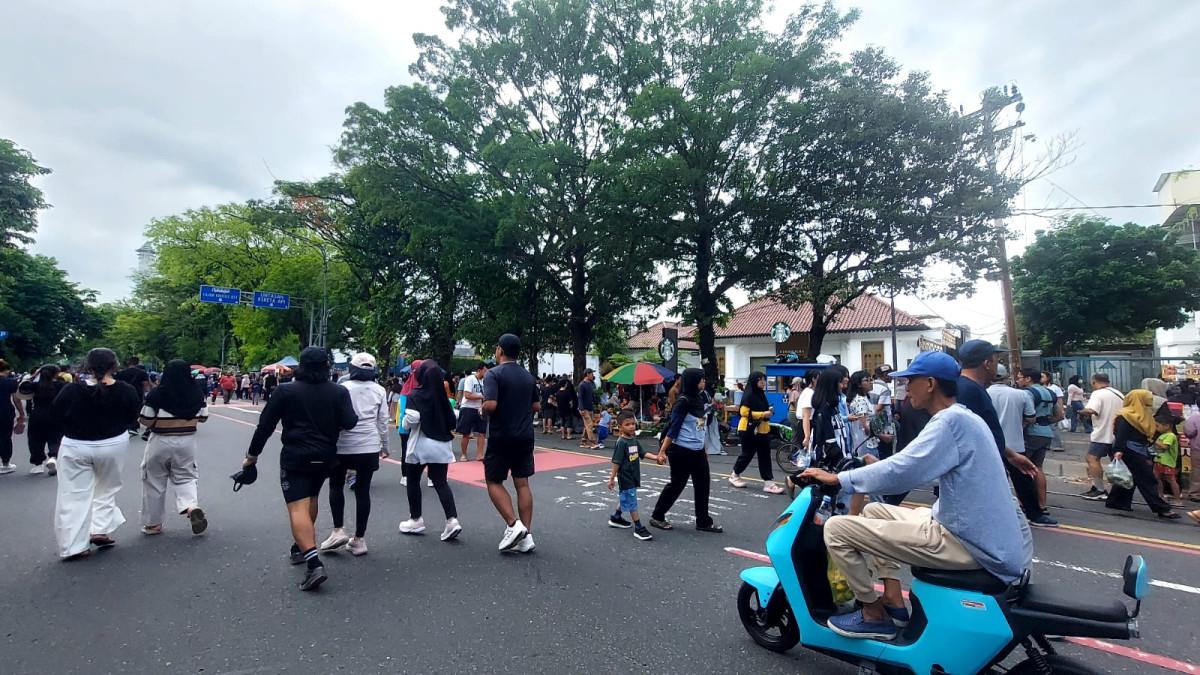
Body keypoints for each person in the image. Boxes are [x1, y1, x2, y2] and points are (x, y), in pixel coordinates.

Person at [799, 351, 1031, 640]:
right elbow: (910, 463)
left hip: (969, 543)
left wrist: (838, 478)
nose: (906, 389)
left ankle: (873, 614)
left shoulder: (949, 422)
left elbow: (903, 471)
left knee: (836, 528)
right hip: (972, 531)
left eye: (910, 382)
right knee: (873, 510)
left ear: (930, 384)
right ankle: (894, 601)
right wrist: (876, 468)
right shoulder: (964, 418)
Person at [241, 347, 358, 590]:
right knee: (311, 498)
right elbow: (350, 421)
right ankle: (300, 547)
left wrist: (251, 457)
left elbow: (265, 426)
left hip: (295, 455)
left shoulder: (286, 390)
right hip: (326, 456)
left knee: (297, 507)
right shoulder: (339, 391)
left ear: (301, 366)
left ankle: (313, 563)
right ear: (327, 366)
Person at [51, 348, 143, 560]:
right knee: (106, 488)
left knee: (74, 494)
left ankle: (74, 545)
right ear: (115, 365)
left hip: (75, 444)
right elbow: (133, 416)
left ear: (87, 366)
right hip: (113, 444)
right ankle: (99, 529)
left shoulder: (71, 390)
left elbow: (56, 415)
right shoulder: (126, 390)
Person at [955, 341, 1052, 527]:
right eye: (995, 359)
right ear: (987, 363)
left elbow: (985, 429)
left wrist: (1011, 454)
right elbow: (971, 432)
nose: (997, 363)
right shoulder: (967, 390)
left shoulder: (974, 389)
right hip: (978, 463)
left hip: (995, 454)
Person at [318, 353, 389, 556]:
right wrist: (385, 446)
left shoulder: (343, 388)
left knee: (336, 486)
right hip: (369, 445)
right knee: (363, 490)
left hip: (342, 445)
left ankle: (338, 529)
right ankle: (359, 539)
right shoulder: (380, 390)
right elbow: (383, 421)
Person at [481, 334, 540, 553]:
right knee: (522, 483)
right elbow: (536, 406)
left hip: (502, 435)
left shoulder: (493, 374)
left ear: (499, 351)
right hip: (525, 435)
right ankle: (527, 536)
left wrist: (483, 408)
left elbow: (491, 404)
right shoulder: (528, 376)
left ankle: (514, 525)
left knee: (493, 480)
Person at [138, 359, 209, 536]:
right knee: (186, 476)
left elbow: (145, 419)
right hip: (187, 442)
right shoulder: (196, 393)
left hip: (160, 440)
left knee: (154, 481)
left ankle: (153, 524)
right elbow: (203, 417)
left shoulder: (157, 394)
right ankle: (191, 506)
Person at [648, 368, 723, 533]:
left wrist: (702, 448)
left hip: (697, 451)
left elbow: (700, 427)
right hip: (680, 450)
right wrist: (662, 452)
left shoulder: (700, 398)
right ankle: (657, 516)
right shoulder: (683, 401)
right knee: (677, 485)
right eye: (701, 380)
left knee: (703, 484)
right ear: (692, 382)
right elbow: (673, 429)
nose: (704, 382)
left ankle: (703, 521)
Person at [398, 360, 462, 541]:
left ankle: (416, 519)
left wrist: (404, 423)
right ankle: (452, 520)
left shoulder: (415, 395)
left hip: (420, 445)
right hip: (441, 446)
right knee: (441, 482)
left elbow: (411, 420)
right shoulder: (443, 398)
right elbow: (453, 420)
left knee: (413, 480)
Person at [1105, 390, 1179, 519]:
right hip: (1129, 450)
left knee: (1128, 478)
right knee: (1147, 479)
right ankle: (1161, 508)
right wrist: (1119, 450)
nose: (1150, 401)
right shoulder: (1125, 415)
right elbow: (1121, 434)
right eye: (1147, 398)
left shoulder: (1145, 414)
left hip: (1140, 449)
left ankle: (1116, 502)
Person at [606, 411, 661, 541]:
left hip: (634, 475)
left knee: (626, 496)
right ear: (620, 427)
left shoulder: (633, 440)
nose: (631, 427)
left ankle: (616, 517)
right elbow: (616, 461)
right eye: (627, 424)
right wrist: (612, 478)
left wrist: (656, 458)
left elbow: (643, 453)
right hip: (625, 477)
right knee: (631, 500)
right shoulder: (622, 442)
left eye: (632, 424)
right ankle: (638, 527)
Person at [729, 371, 784, 494]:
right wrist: (763, 414)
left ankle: (768, 482)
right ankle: (735, 474)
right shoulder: (748, 395)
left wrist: (768, 411)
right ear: (754, 381)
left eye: (764, 380)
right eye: (760, 380)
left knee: (765, 455)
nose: (763, 382)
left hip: (762, 430)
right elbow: (744, 412)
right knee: (747, 454)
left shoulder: (761, 395)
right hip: (748, 430)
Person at [1016, 368, 1060, 512]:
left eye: (1020, 378)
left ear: (1028, 379)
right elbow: (1060, 415)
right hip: (1046, 433)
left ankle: (1025, 504)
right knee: (1038, 468)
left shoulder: (1027, 393)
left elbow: (1027, 416)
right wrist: (1045, 421)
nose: (1018, 380)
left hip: (1031, 433)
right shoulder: (1050, 392)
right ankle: (1042, 504)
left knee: (1021, 469)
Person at [1075, 373, 1123, 501]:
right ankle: (1119, 492)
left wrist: (1080, 411)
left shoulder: (1097, 394)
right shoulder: (1118, 393)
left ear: (1094, 382)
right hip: (1117, 434)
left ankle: (1099, 489)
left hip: (1103, 433)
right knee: (1116, 462)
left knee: (1092, 458)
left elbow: (1092, 410)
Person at [17, 365, 67, 475]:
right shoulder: (60, 385)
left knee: (35, 439)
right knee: (56, 438)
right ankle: (53, 457)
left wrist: (32, 376)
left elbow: (22, 389)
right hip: (55, 415)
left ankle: (38, 463)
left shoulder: (35, 385)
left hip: (37, 414)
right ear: (55, 374)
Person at [456, 362, 488, 462]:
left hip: (480, 408)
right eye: (485, 370)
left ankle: (480, 454)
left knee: (482, 432)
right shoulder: (470, 379)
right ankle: (463, 454)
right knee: (466, 433)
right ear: (479, 370)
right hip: (468, 408)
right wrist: (481, 396)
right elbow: (467, 395)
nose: (486, 372)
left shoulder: (486, 381)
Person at [114, 356, 150, 435]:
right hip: (137, 393)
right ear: (138, 362)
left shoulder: (121, 372)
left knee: (124, 408)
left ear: (128, 362)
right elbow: (145, 385)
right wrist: (145, 395)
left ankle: (126, 425)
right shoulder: (142, 372)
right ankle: (133, 426)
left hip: (123, 393)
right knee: (136, 410)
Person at [1152, 419, 1181, 505]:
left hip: (1167, 462)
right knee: (1157, 478)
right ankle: (1161, 496)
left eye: (1158, 426)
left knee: (1171, 480)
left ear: (1167, 426)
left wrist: (1156, 442)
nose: (1156, 428)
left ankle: (1178, 500)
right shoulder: (1163, 435)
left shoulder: (1170, 435)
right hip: (1159, 460)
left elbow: (1165, 446)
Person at [0, 359, 22, 474]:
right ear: (7, 370)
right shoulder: (11, 382)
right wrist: (21, 414)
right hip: (5, 412)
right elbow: (16, 399)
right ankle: (5, 463)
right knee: (5, 437)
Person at [578, 369, 599, 449]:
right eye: (591, 374)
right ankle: (592, 442)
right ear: (587, 374)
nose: (592, 375)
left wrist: (596, 402)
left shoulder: (590, 384)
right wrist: (581, 408)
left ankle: (583, 442)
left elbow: (592, 395)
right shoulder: (582, 385)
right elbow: (580, 397)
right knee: (589, 424)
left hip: (590, 407)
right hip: (584, 408)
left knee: (587, 425)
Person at [554, 377, 577, 442]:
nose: (567, 385)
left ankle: (563, 435)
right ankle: (568, 435)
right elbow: (570, 402)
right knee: (568, 422)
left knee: (562, 422)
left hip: (560, 409)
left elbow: (556, 401)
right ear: (564, 384)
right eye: (566, 384)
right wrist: (571, 407)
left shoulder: (558, 393)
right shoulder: (567, 392)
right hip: (567, 409)